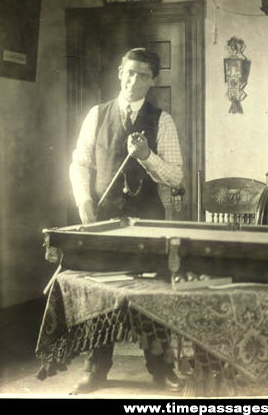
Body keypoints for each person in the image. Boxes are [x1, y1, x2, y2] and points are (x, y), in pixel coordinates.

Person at [69, 48, 184, 394]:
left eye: (143, 75)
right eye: (130, 72)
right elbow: (80, 163)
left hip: (148, 223)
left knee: (152, 297)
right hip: (102, 222)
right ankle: (96, 370)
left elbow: (176, 177)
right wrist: (84, 199)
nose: (134, 81)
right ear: (120, 72)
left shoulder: (162, 120)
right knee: (100, 296)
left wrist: (147, 156)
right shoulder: (96, 115)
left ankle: (161, 370)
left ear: (153, 81)